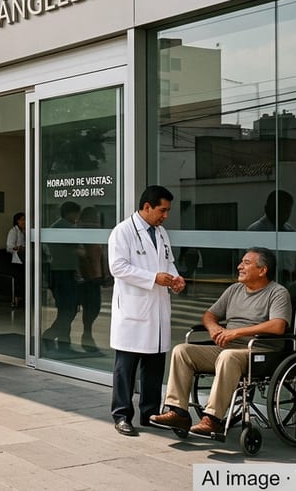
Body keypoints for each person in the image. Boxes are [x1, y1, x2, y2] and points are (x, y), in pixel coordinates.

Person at [150, 247, 292, 436]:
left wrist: (236, 333)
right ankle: (178, 412)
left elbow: (278, 326)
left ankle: (212, 419)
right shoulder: (234, 289)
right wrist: (214, 328)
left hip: (260, 352)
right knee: (182, 351)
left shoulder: (277, 293)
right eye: (241, 262)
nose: (240, 266)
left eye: (246, 263)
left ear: (262, 270)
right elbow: (210, 314)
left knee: (227, 356)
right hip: (228, 349)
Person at [108, 185, 184, 437]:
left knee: (154, 366)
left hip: (157, 309)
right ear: (147, 207)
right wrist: (153, 278)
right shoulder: (123, 231)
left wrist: (175, 278)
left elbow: (168, 261)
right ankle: (122, 415)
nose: (166, 215)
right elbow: (117, 267)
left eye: (168, 211)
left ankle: (150, 413)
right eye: (163, 210)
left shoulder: (161, 233)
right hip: (133, 310)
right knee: (125, 369)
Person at [42, 201, 82, 352]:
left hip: (59, 271)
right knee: (68, 310)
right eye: (76, 213)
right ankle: (50, 336)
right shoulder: (65, 227)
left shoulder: (57, 226)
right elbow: (76, 249)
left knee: (66, 309)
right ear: (69, 213)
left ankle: (64, 343)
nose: (77, 217)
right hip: (63, 272)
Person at [247, 190, 296, 281]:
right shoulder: (255, 232)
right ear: (267, 208)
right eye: (278, 208)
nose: (282, 213)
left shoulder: (291, 232)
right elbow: (249, 268)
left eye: (286, 209)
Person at [76, 206, 109, 352]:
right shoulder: (80, 231)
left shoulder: (97, 231)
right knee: (88, 307)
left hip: (95, 276)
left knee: (94, 307)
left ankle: (87, 334)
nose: (95, 220)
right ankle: (87, 336)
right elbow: (79, 253)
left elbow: (102, 253)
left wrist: (105, 274)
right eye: (93, 217)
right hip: (85, 276)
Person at [4, 212, 26, 308]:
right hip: (17, 260)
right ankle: (17, 299)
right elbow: (9, 247)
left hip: (27, 258)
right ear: (17, 221)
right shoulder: (14, 231)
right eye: (22, 219)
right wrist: (19, 248)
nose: (24, 222)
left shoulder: (26, 231)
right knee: (20, 279)